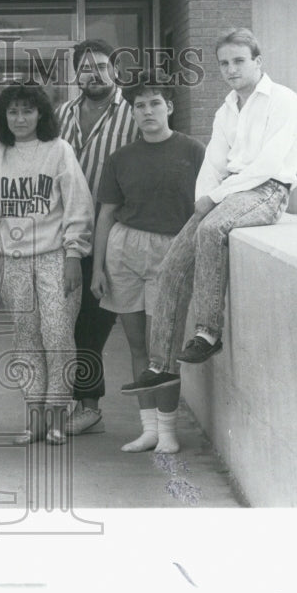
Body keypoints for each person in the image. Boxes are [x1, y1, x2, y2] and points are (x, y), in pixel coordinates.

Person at [121, 28, 297, 400]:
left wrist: (215, 200)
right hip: (230, 190)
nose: (231, 69)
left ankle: (208, 332)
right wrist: (204, 197)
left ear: (258, 61)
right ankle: (161, 366)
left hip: (268, 189)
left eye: (239, 61)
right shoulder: (227, 108)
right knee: (173, 261)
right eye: (224, 63)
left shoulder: (283, 100)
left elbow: (268, 163)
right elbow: (214, 161)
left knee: (212, 230)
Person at [91, 74, 205, 453]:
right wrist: (97, 270)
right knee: (137, 344)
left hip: (172, 250)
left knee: (165, 345)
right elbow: (106, 214)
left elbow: (204, 208)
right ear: (132, 112)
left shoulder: (192, 151)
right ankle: (149, 430)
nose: (147, 111)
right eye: (139, 105)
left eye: (154, 103)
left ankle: (168, 432)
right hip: (124, 250)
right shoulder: (120, 158)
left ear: (169, 107)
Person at [0, 83, 94, 445]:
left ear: (41, 115)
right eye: (12, 111)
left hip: (54, 256)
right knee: (26, 339)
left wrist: (74, 254)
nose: (20, 118)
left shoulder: (59, 150)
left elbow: (78, 204)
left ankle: (58, 417)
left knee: (58, 336)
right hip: (12, 260)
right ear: (4, 116)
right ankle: (34, 419)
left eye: (27, 111)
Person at [54, 39, 140, 437]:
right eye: (86, 67)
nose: (95, 74)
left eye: (103, 66)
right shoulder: (61, 114)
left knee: (92, 327)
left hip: (113, 236)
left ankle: (89, 407)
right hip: (66, 236)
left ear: (115, 69)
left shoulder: (133, 113)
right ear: (76, 73)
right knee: (62, 328)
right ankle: (65, 403)